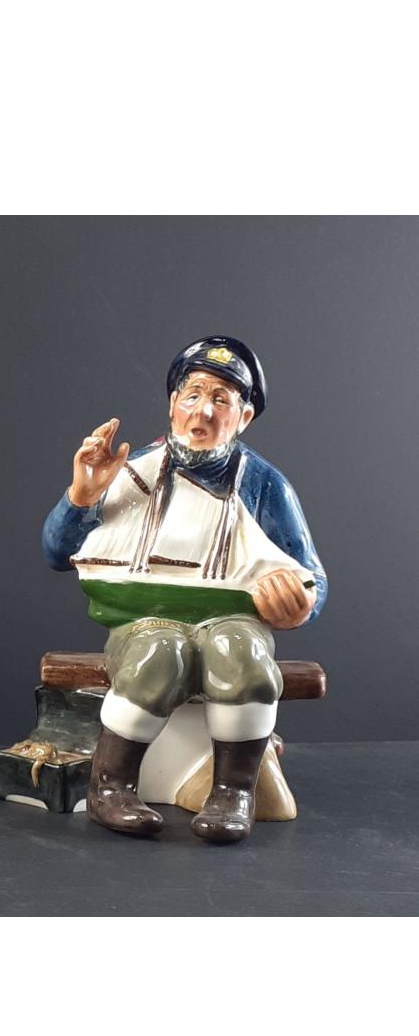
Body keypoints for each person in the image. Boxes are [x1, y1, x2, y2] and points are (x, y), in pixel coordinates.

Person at [42, 336, 326, 843]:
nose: (202, 413)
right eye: (192, 395)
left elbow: (313, 578)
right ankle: (111, 786)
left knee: (241, 652)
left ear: (243, 418)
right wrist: (81, 497)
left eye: (221, 400)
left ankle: (233, 791)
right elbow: (57, 553)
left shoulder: (263, 485)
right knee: (159, 652)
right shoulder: (130, 471)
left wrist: (298, 603)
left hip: (233, 618)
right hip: (141, 621)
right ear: (173, 404)